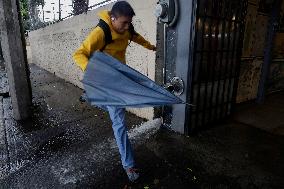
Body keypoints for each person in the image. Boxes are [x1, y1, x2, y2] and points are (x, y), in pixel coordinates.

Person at [73, 1, 156, 182]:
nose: (127, 27)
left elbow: (136, 37)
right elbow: (79, 54)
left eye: (129, 23)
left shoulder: (127, 29)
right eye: (124, 23)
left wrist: (150, 46)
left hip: (119, 79)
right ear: (112, 18)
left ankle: (92, 96)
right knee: (119, 123)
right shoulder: (101, 32)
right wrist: (95, 72)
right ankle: (129, 164)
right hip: (106, 80)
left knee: (115, 110)